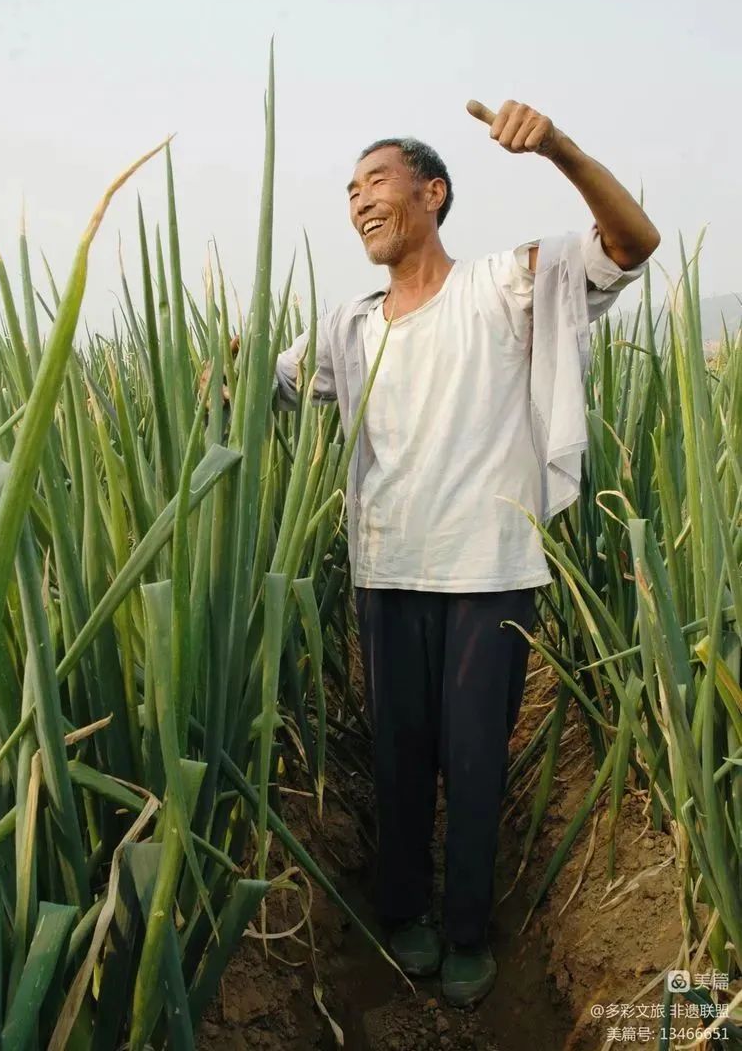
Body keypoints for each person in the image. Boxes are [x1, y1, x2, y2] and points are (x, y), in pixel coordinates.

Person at [271, 99, 660, 1007]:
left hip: (488, 572)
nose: (359, 201)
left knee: (478, 759)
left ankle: (470, 930)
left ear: (433, 192)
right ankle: (402, 911)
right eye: (349, 191)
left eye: (376, 182)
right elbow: (273, 383)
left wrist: (558, 145)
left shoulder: (507, 283)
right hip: (386, 571)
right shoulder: (350, 327)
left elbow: (632, 242)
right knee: (401, 756)